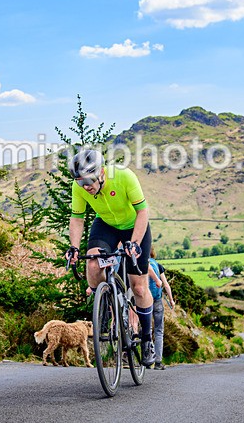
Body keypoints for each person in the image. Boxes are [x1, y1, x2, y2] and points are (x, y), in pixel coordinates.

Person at [66, 149, 156, 367]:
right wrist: (74, 247)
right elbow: (77, 218)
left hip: (134, 225)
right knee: (93, 264)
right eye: (80, 182)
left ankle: (146, 340)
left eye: (88, 180)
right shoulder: (79, 188)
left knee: (139, 288)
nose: (85, 186)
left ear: (101, 172)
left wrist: (134, 243)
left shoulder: (124, 176)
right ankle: (105, 300)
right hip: (106, 225)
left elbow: (143, 212)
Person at [148, 248, 174, 370]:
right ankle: (158, 362)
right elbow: (166, 284)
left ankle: (147, 359)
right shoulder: (158, 266)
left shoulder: (141, 264)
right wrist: (171, 300)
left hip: (145, 300)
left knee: (147, 330)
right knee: (159, 331)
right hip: (157, 300)